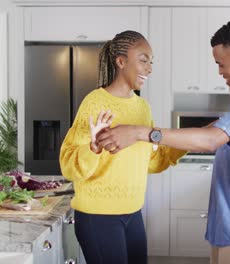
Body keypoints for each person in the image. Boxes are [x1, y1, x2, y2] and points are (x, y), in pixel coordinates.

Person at [96, 19, 230, 264]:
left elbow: (211, 140)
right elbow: (217, 130)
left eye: (220, 64)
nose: (219, 72)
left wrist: (139, 132)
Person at [59, 30, 186, 264]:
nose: (149, 68)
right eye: (143, 60)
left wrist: (186, 144)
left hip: (133, 213)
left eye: (151, 62)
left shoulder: (142, 108)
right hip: (98, 217)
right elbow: (69, 165)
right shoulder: (95, 102)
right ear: (121, 61)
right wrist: (93, 148)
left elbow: (149, 162)